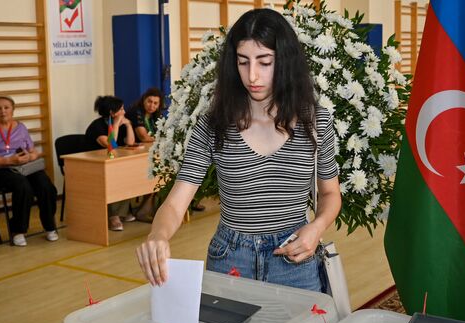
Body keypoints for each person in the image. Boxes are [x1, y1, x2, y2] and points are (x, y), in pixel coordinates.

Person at [136, 8, 341, 291]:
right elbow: (175, 203)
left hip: (295, 257)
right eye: (243, 62)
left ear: (285, 62)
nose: (252, 75)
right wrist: (157, 235)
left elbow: (330, 193)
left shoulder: (315, 122)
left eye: (264, 62)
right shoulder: (214, 124)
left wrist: (316, 228)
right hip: (230, 258)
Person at [0, 96, 59, 246]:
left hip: (22, 166)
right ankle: (18, 230)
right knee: (23, 186)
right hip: (0, 170)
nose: (3, 111)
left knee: (45, 184)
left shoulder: (21, 128)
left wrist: (30, 156)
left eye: (6, 107)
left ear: (13, 110)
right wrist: (8, 161)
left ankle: (50, 226)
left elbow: (34, 152)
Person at [86, 95, 137, 231]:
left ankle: (123, 212)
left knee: (126, 173)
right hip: (93, 165)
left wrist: (128, 124)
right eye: (121, 109)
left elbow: (130, 143)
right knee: (116, 176)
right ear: (112, 113)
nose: (124, 112)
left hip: (112, 162)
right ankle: (114, 216)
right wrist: (116, 124)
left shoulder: (119, 123)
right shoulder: (97, 126)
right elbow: (111, 144)